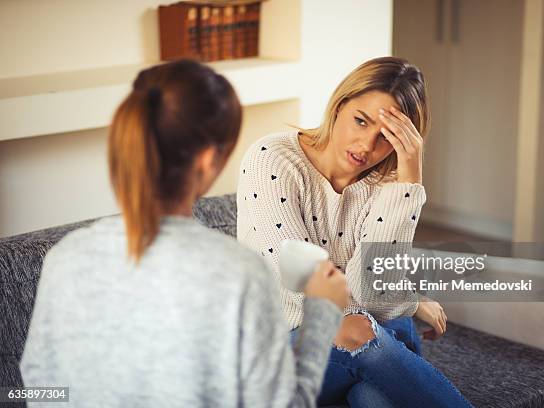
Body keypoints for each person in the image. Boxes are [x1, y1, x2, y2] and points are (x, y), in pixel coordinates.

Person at [20, 59, 350, 408]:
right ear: (208, 161)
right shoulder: (236, 273)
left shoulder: (66, 257)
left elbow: (38, 386)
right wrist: (322, 312)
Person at [237, 57, 473, 407]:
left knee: (373, 398)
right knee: (361, 330)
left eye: (387, 137)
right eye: (360, 121)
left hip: (371, 337)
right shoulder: (271, 160)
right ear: (339, 105)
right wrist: (411, 301)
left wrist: (408, 183)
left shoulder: (387, 185)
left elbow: (376, 295)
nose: (365, 145)